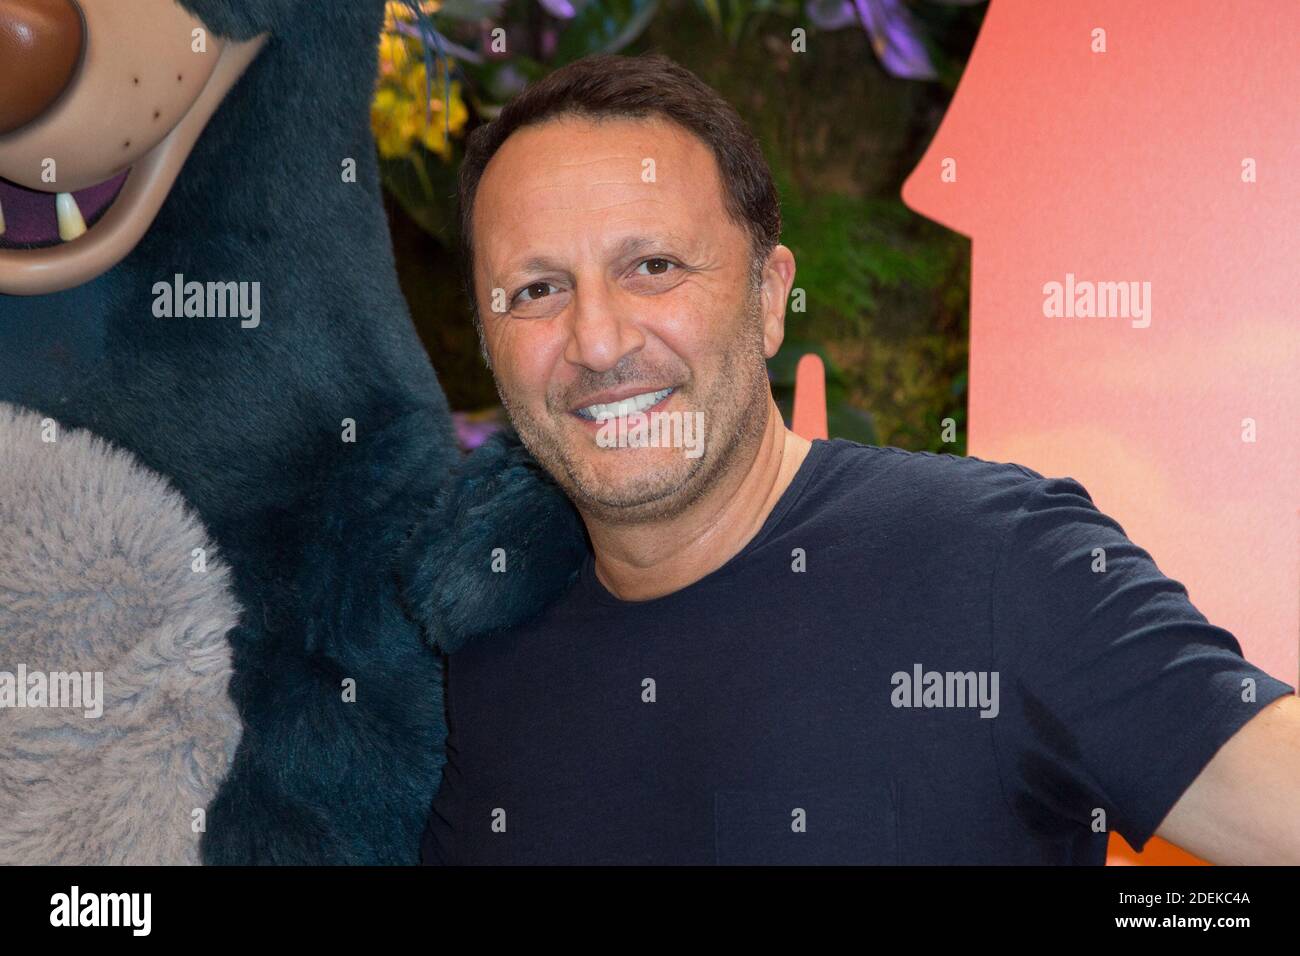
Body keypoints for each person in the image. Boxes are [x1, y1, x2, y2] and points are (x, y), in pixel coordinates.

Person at [422, 52, 1298, 865]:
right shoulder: (482, 656)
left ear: (768, 298)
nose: (598, 339)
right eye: (536, 290)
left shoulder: (998, 564)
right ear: (486, 340)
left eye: (652, 266)